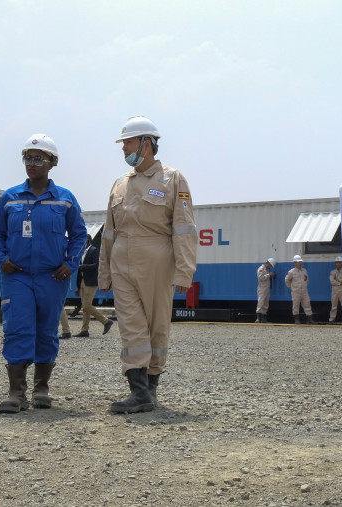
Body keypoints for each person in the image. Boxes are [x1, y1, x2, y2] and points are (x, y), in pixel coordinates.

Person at [98, 116, 198, 414]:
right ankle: (139, 392)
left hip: (157, 260)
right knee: (130, 326)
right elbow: (108, 233)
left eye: (127, 142)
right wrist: (104, 272)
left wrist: (184, 269)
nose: (124, 148)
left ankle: (151, 387)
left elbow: (184, 227)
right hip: (122, 262)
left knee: (156, 326)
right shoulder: (119, 184)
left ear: (146, 143)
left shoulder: (172, 179)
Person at [0, 133, 87, 414]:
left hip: (52, 277)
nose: (32, 164)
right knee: (18, 329)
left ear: (52, 163)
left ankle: (41, 388)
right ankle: (16, 393)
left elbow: (79, 235)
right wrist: (1, 258)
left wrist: (71, 263)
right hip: (16, 275)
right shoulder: (10, 198)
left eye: (38, 159)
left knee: (46, 331)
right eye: (28, 158)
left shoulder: (65, 200)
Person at [74, 234, 114, 338]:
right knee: (85, 307)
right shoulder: (82, 252)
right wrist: (78, 286)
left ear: (87, 240)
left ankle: (106, 321)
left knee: (87, 305)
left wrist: (83, 266)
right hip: (83, 281)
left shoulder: (94, 250)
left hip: (91, 282)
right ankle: (84, 330)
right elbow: (79, 271)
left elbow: (97, 265)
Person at [285, 254, 315, 324]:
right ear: (294, 263)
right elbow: (287, 280)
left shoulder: (304, 270)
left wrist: (304, 286)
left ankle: (310, 320)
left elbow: (307, 279)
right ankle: (297, 320)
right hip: (296, 292)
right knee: (296, 305)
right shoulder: (291, 272)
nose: (300, 263)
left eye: (300, 262)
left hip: (304, 291)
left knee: (307, 304)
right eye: (298, 262)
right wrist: (292, 287)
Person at [255, 257, 276, 323]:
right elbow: (261, 278)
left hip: (266, 288)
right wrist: (269, 275)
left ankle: (263, 318)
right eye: (270, 266)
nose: (270, 267)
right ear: (268, 263)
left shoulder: (266, 270)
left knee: (266, 303)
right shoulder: (261, 269)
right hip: (262, 288)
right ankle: (258, 318)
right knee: (261, 302)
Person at [329, 255, 342, 323]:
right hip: (335, 292)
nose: (338, 264)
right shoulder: (332, 272)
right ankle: (332, 319)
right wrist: (340, 283)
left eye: (339, 262)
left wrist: (338, 280)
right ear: (335, 263)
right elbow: (332, 281)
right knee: (333, 307)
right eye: (337, 262)